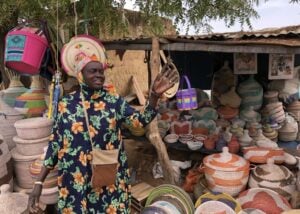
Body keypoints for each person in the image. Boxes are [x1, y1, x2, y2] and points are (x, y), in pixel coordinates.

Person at [28, 44, 178, 213]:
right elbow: (55, 144)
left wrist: (154, 97)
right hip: (76, 181)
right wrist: (39, 182)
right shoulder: (66, 105)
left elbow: (139, 121)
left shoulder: (113, 101)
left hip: (107, 180)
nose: (99, 75)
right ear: (80, 74)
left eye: (101, 71)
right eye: (93, 71)